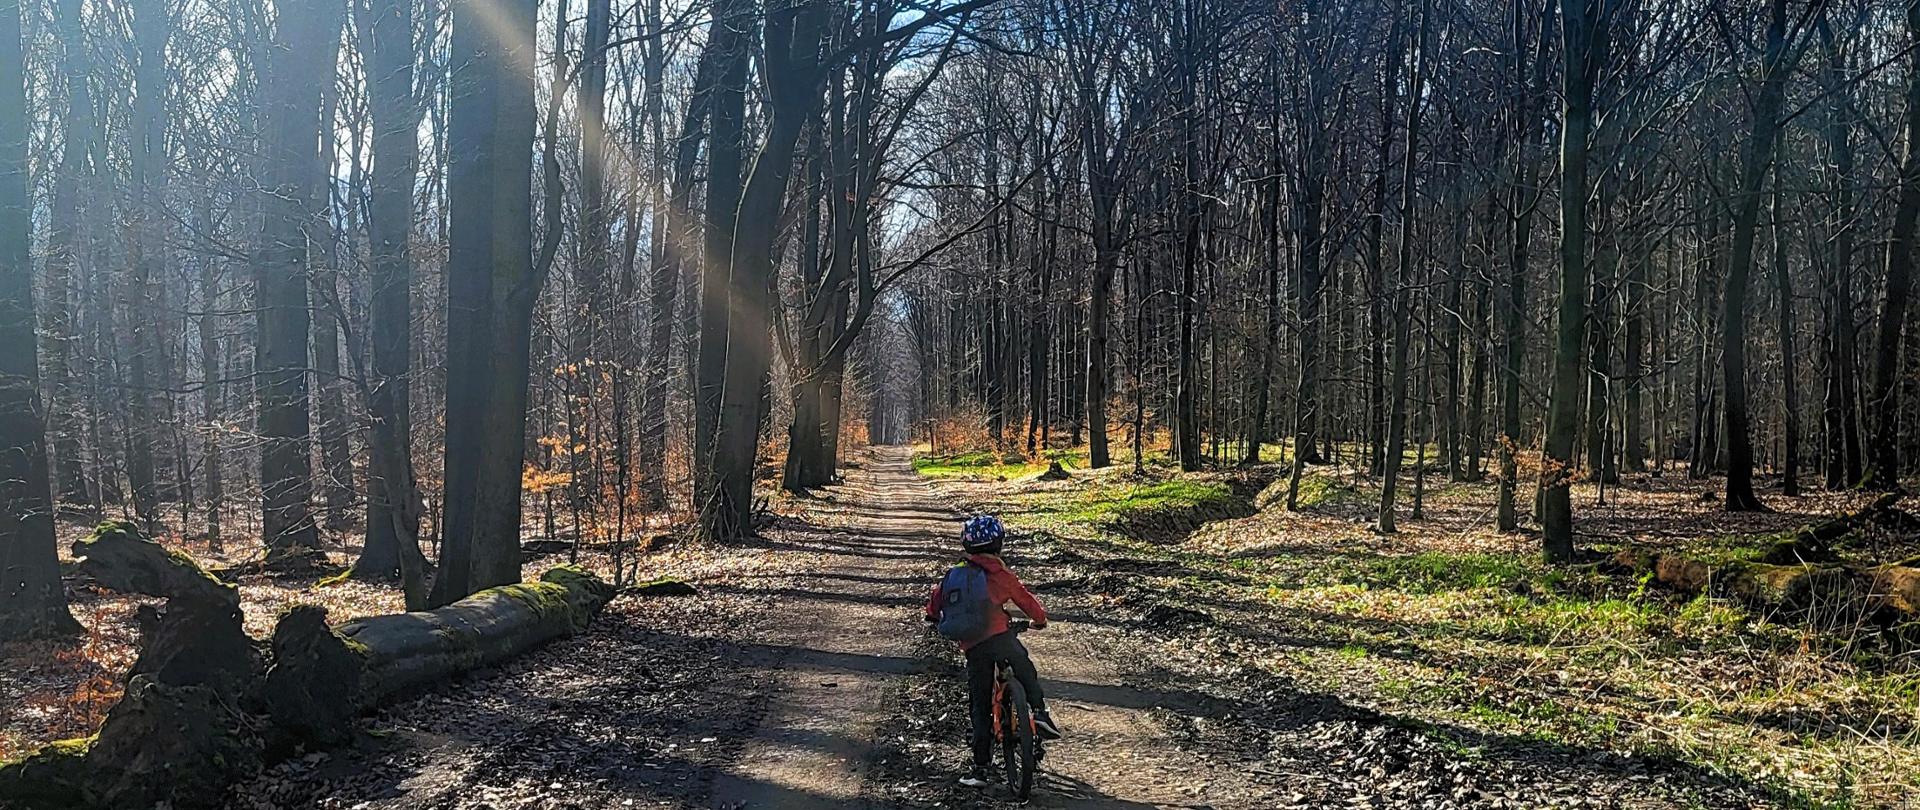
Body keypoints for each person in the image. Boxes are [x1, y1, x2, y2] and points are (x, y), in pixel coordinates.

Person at [924, 514, 1062, 788]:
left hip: (973, 647)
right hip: (1000, 638)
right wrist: (1040, 620)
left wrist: (932, 617)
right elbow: (1025, 599)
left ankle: (981, 768)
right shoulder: (999, 574)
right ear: (998, 544)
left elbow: (935, 603)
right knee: (1024, 668)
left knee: (979, 704)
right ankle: (1039, 712)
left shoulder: (954, 574)